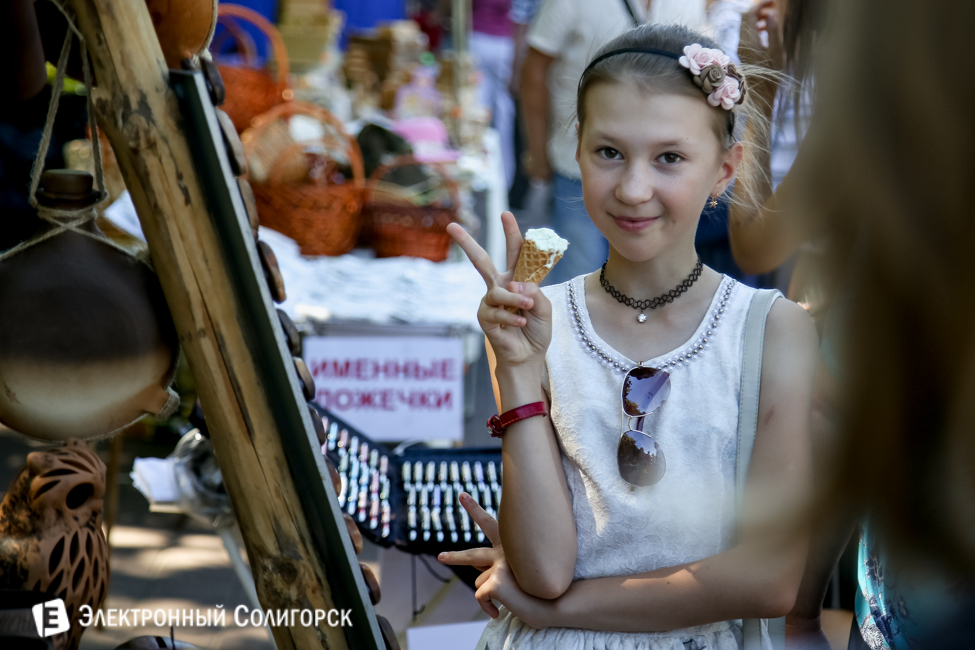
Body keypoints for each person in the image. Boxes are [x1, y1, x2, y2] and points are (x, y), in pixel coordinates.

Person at [442, 23, 818, 650]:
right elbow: (543, 569)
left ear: (725, 170)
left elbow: (770, 577)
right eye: (608, 152)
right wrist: (515, 370)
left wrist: (561, 612)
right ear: (577, 153)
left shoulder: (771, 331)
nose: (633, 188)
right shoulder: (536, 323)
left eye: (669, 157)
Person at [519, 0, 708, 286]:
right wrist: (536, 149)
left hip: (661, 174)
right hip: (581, 168)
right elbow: (534, 70)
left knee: (650, 282)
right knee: (579, 274)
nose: (633, 192)